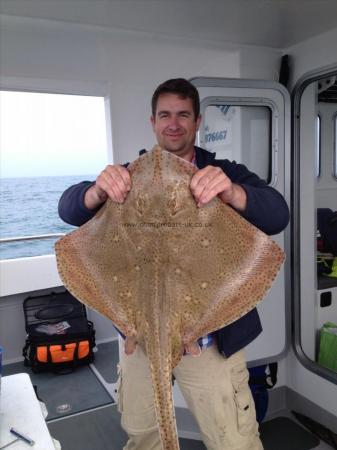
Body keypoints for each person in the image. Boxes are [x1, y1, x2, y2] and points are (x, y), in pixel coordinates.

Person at [58, 78, 289, 450]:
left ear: (198, 122)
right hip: (141, 337)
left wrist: (230, 191)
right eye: (165, 114)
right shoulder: (127, 176)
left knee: (233, 441)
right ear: (153, 122)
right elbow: (68, 209)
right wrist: (97, 190)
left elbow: (278, 214)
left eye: (183, 114)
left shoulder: (223, 171)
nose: (174, 123)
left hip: (210, 337)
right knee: (143, 434)